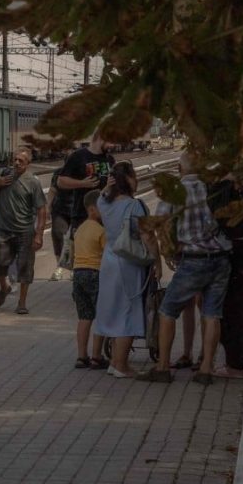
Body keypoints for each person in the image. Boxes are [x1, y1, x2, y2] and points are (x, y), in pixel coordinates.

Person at [140, 152, 238, 385]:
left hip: (193, 259)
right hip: (221, 257)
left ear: (179, 167)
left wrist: (165, 255)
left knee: (167, 310)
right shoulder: (212, 188)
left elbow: (158, 228)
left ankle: (163, 367)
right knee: (212, 313)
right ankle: (205, 369)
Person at [95, 162, 159, 378]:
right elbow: (147, 236)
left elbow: (101, 197)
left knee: (114, 311)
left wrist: (106, 187)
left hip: (109, 261)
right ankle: (121, 365)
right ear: (130, 179)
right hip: (129, 264)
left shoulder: (104, 203)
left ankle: (114, 361)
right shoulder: (135, 206)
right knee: (128, 313)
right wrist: (156, 260)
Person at [0, 149, 46, 314]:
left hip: (25, 231)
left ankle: (22, 302)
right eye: (15, 160)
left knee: (25, 267)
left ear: (28, 164)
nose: (17, 163)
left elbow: (41, 209)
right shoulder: (4, 177)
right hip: (3, 229)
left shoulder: (33, 182)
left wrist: (39, 234)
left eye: (21, 160)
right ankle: (4, 288)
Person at [214, 174, 243, 372]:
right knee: (233, 313)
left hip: (238, 268)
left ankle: (234, 365)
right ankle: (233, 362)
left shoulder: (239, 214)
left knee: (232, 315)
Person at [71, 190, 107, 370]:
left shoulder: (79, 229)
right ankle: (96, 356)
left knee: (84, 317)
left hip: (78, 274)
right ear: (93, 209)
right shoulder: (101, 230)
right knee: (101, 315)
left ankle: (81, 355)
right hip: (94, 273)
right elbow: (107, 254)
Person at [57, 133, 115, 231]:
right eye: (111, 142)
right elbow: (61, 181)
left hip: (105, 215)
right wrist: (82, 183)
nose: (112, 146)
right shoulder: (78, 156)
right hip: (82, 216)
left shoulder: (110, 159)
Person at [48, 168, 72, 281]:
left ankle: (75, 269)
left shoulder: (84, 171)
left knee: (75, 240)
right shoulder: (58, 173)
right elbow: (53, 190)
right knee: (58, 234)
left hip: (78, 210)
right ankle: (60, 267)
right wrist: (48, 206)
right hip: (60, 209)